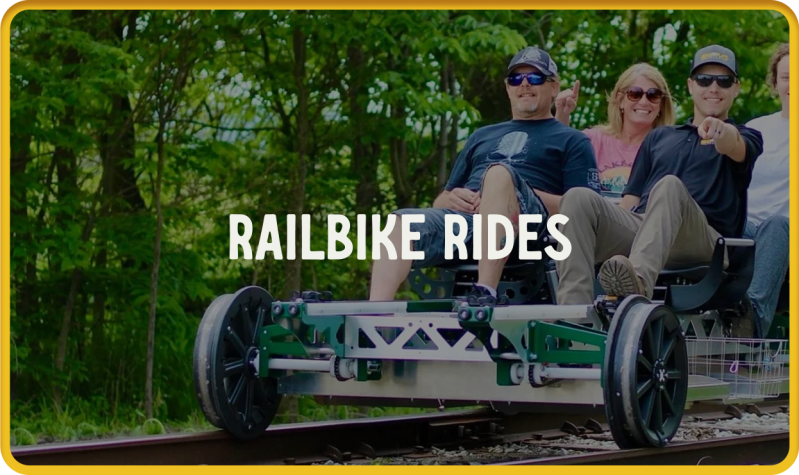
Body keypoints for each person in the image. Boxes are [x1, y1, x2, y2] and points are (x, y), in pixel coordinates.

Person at [368, 46, 601, 304]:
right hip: (467, 224)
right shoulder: (481, 135)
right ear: (507, 88)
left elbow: (586, 210)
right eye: (516, 79)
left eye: (535, 78)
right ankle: (376, 318)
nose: (524, 84)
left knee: (499, 175)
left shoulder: (572, 140)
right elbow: (441, 201)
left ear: (554, 87)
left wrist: (507, 191)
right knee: (400, 223)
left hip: (531, 232)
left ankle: (484, 294)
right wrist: (454, 199)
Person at [554, 44, 764, 305]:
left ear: (735, 88)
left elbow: (732, 145)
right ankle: (573, 316)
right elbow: (630, 203)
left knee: (669, 187)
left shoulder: (746, 136)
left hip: (704, 241)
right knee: (577, 198)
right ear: (690, 85)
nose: (713, 87)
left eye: (723, 81)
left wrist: (719, 130)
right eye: (704, 79)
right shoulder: (659, 136)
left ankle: (636, 284)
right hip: (648, 230)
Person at [733, 43, 789, 338]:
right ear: (775, 82)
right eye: (786, 77)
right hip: (746, 228)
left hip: (785, 234)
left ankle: (751, 323)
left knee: (778, 225)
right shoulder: (757, 128)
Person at [554, 63, 676, 198]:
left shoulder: (668, 151)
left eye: (653, 95)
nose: (644, 101)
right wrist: (562, 113)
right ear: (620, 100)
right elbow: (556, 161)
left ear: (661, 105)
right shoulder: (593, 140)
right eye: (635, 94)